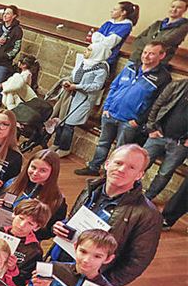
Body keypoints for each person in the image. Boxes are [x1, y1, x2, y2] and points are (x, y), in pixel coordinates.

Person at [55, 144, 161, 286]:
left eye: (131, 167)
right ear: (107, 164)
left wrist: (100, 284)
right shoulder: (91, 189)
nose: (122, 169)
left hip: (87, 281)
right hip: (59, 261)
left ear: (139, 175)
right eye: (118, 163)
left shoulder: (148, 214)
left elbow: (137, 262)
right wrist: (62, 225)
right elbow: (74, 219)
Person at [77, 42, 171, 176]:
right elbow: (114, 86)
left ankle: (110, 175)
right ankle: (93, 167)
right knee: (102, 143)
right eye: (145, 52)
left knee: (121, 151)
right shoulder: (131, 67)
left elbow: (157, 104)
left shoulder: (163, 78)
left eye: (151, 54)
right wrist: (106, 107)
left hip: (130, 122)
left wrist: (138, 121)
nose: (146, 56)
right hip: (110, 114)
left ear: (161, 56)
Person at [51, 42, 110, 157]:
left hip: (83, 100)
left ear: (97, 53)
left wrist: (77, 87)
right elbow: (73, 76)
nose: (85, 51)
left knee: (69, 124)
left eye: (89, 50)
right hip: (71, 96)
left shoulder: (101, 69)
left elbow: (97, 86)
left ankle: (64, 148)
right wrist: (68, 82)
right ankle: (56, 143)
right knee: (61, 120)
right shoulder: (84, 62)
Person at [141, 78, 188, 199]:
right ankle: (126, 191)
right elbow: (157, 105)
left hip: (180, 144)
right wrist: (151, 128)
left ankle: (147, 198)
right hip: (158, 135)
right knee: (140, 163)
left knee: (164, 173)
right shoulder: (177, 85)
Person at [129, 0, 187, 66]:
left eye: (179, 7)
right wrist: (151, 45)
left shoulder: (183, 27)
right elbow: (138, 40)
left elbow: (164, 42)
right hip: (135, 58)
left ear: (185, 10)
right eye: (172, 6)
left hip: (154, 64)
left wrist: (146, 41)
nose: (174, 9)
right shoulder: (157, 23)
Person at [89, 1, 139, 70]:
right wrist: (103, 39)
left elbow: (109, 43)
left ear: (123, 13)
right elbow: (94, 37)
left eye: (115, 10)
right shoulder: (109, 23)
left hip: (107, 59)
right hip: (94, 55)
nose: (111, 11)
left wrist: (101, 39)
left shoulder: (126, 26)